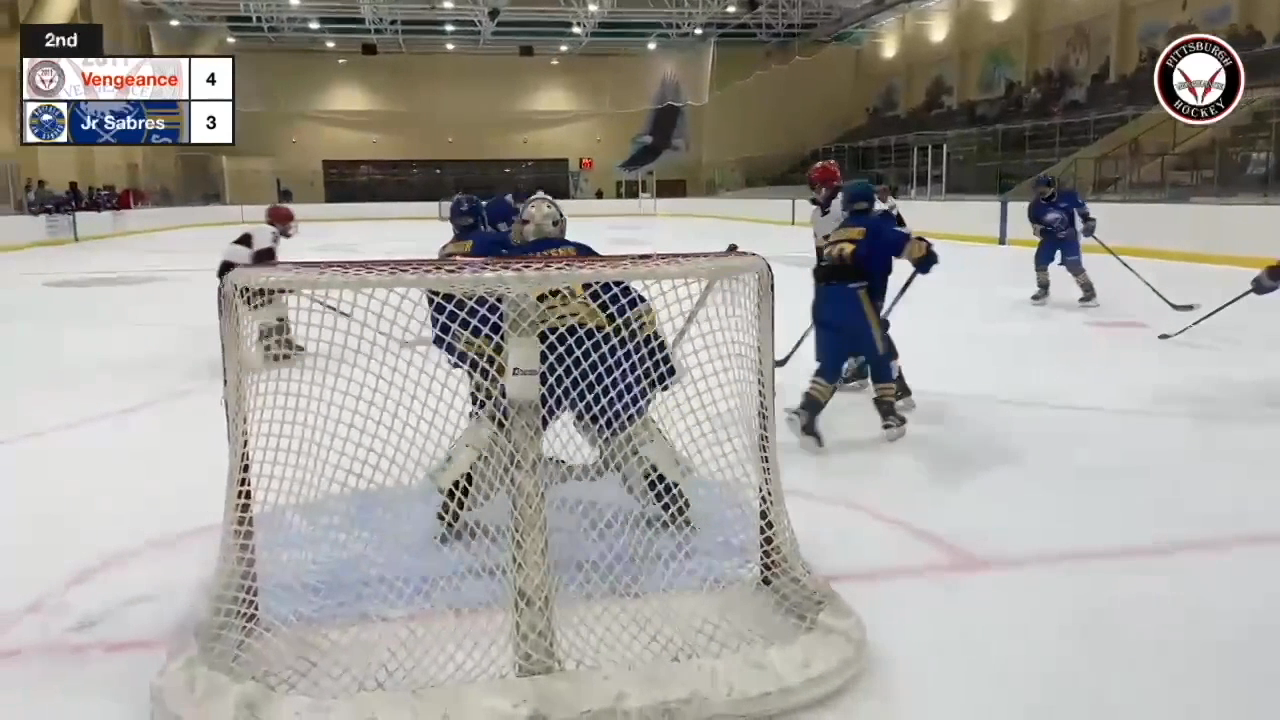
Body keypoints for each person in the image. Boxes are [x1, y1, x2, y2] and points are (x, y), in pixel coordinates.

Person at [432, 193, 690, 538]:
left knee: (503, 433)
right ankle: (659, 479)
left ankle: (464, 482)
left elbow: (486, 317)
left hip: (538, 357)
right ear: (561, 226)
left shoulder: (506, 257)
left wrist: (486, 356)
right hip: (600, 356)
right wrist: (659, 365)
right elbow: (635, 311)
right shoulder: (582, 252)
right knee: (626, 427)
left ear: (522, 229)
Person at [787, 181, 938, 448]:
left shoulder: (837, 231)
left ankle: (807, 413)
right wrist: (926, 254)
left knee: (833, 362)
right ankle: (890, 415)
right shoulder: (877, 225)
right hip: (857, 298)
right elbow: (913, 249)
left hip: (824, 300)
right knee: (881, 354)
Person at [217, 204, 303, 362]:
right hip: (238, 276)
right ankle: (274, 346)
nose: (289, 227)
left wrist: (278, 285)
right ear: (278, 224)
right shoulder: (268, 231)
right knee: (270, 309)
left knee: (275, 306)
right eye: (287, 224)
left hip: (240, 275)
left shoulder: (265, 232)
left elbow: (263, 265)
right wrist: (279, 286)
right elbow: (264, 263)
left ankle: (280, 342)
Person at [1028, 175, 1099, 307]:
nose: (1040, 192)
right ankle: (1043, 289)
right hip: (1050, 238)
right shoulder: (1034, 206)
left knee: (1073, 264)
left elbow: (1082, 210)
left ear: (1052, 187)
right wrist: (1046, 233)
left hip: (1069, 236)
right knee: (1040, 260)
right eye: (1038, 189)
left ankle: (1089, 292)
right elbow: (1036, 228)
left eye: (1043, 188)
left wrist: (1088, 221)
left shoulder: (1068, 197)